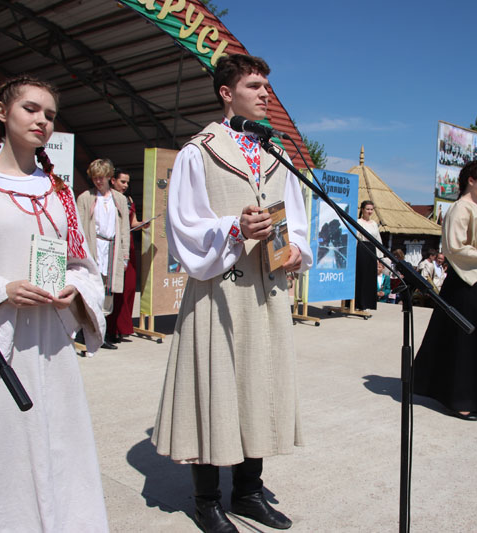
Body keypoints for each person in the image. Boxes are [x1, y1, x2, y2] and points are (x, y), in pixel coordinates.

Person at [0, 75, 108, 532]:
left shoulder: (60, 193)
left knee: (60, 447)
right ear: (1, 112)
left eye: (49, 114)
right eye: (31, 109)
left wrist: (74, 289)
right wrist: (0, 290)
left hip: (52, 344)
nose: (42, 120)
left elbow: (85, 267)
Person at [151, 54, 312, 533]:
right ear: (226, 92)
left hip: (267, 292)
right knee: (214, 387)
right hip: (218, 293)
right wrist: (235, 227)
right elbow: (183, 227)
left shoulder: (276, 154)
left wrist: (296, 252)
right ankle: (206, 501)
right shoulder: (198, 152)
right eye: (256, 85)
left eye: (267, 86)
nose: (266, 94)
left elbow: (298, 225)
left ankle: (247, 490)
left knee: (259, 385)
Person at [413, 160, 477, 421]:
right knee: (463, 340)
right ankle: (459, 398)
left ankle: (474, 390)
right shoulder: (460, 208)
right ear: (471, 180)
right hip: (466, 280)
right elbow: (455, 247)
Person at [76, 158, 130, 352]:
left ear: (109, 177)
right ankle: (86, 331)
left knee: (108, 293)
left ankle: (102, 333)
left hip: (112, 249)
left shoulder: (119, 199)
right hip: (94, 246)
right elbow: (80, 227)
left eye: (102, 178)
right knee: (91, 290)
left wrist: (125, 255)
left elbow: (124, 229)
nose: (98, 181)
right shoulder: (85, 198)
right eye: (95, 178)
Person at [108, 168, 149, 343]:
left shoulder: (129, 200)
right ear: (113, 180)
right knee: (114, 288)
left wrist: (143, 224)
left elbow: (133, 222)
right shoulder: (107, 198)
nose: (125, 185)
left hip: (129, 244)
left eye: (127, 182)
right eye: (122, 181)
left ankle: (122, 327)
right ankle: (110, 329)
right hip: (115, 243)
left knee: (129, 287)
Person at [354, 199, 381, 310]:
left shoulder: (374, 224)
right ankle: (358, 303)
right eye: (367, 209)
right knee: (361, 276)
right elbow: (355, 238)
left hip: (372, 250)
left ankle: (367, 303)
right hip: (361, 250)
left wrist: (379, 257)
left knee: (370, 278)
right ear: (363, 210)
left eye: (371, 209)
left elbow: (378, 240)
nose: (369, 211)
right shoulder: (358, 222)